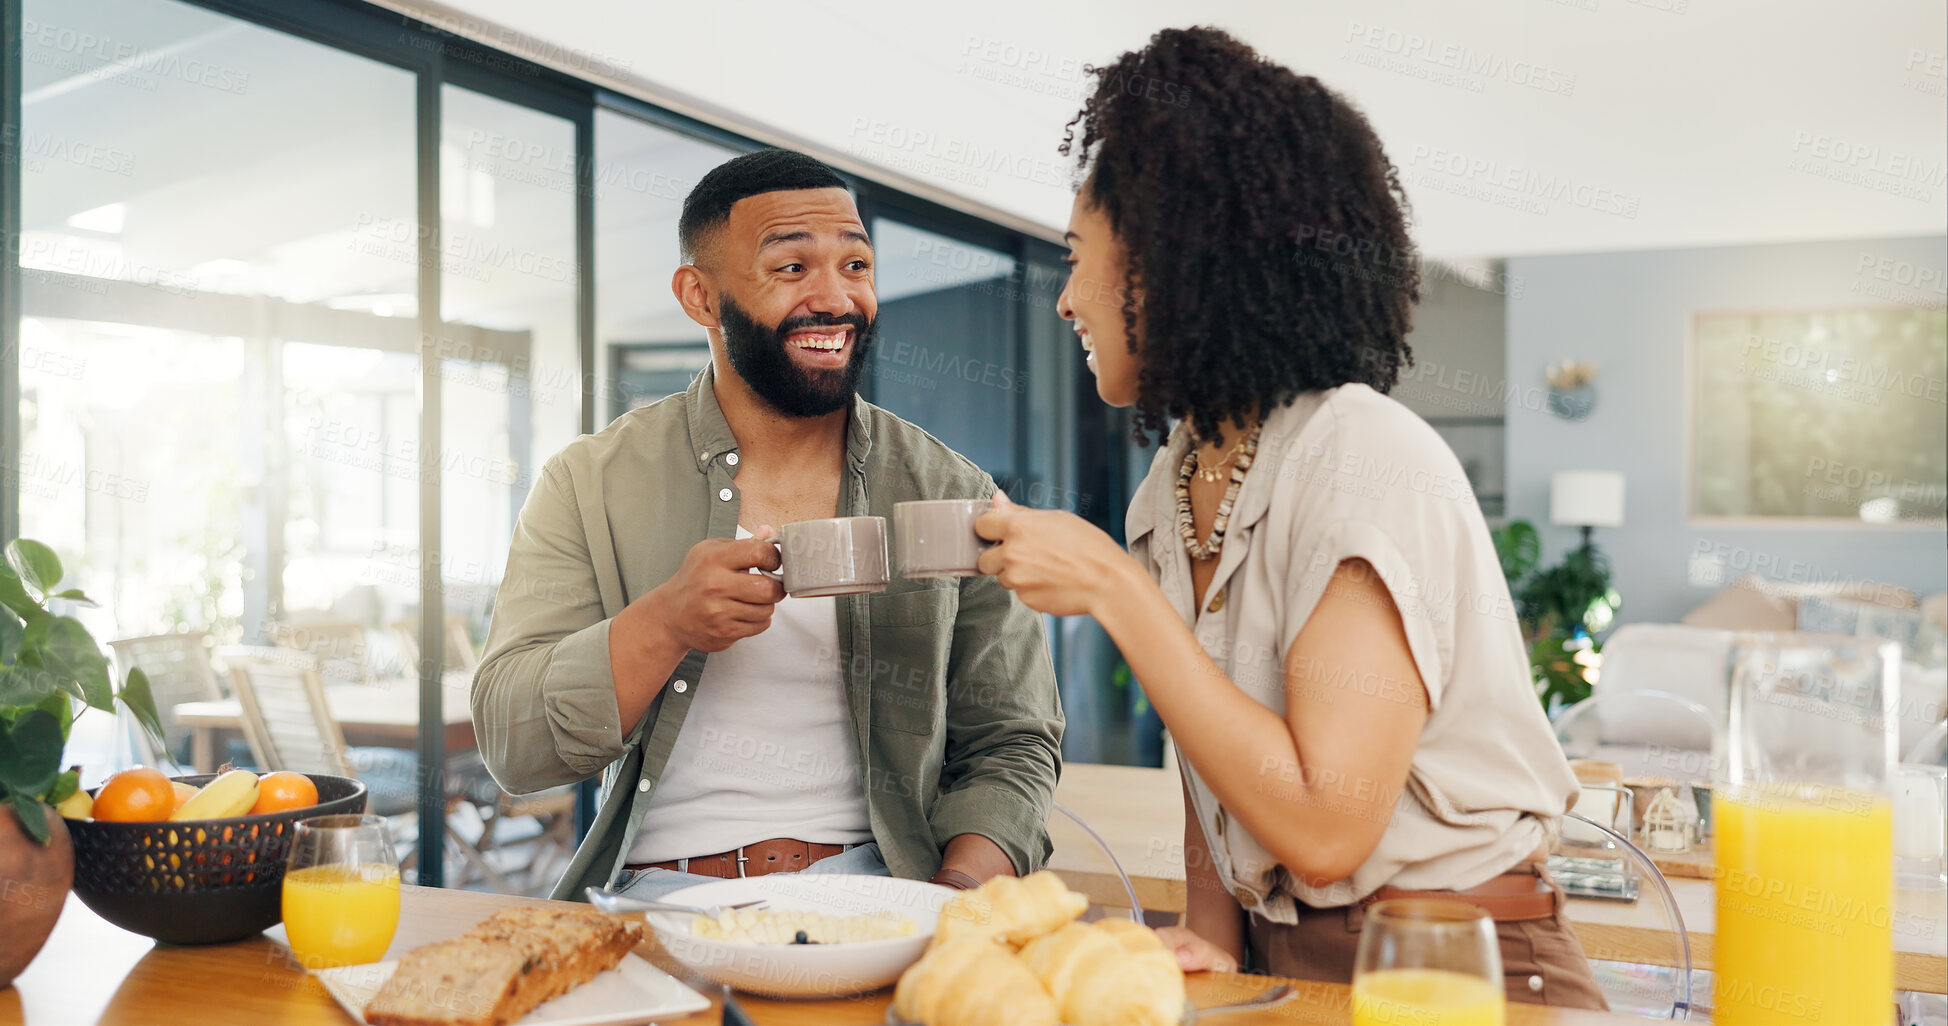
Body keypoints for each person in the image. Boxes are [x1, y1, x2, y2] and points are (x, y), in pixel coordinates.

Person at [975, 28, 1606, 1009]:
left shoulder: (1358, 457)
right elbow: (1211, 744)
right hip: (1281, 956)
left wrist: (1115, 590)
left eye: (1076, 259)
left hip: (1450, 964)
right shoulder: (1176, 476)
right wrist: (1208, 929)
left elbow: (1325, 828)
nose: (1063, 301)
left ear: (1165, 265)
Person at [473, 148, 1063, 902]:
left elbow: (1012, 741)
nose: (836, 299)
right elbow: (514, 745)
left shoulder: (951, 488)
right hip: (661, 898)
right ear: (700, 297)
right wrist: (665, 621)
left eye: (856, 265)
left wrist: (946, 902)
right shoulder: (587, 483)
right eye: (792, 269)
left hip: (885, 892)